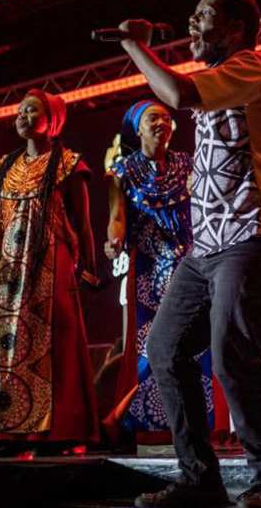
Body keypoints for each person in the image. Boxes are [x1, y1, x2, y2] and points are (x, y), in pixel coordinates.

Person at [117, 0, 261, 508]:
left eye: (203, 16)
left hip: (258, 237)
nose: (192, 24)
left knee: (231, 357)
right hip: (210, 247)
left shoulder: (255, 68)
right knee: (164, 348)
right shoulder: (220, 79)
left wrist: (135, 46)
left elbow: (176, 94)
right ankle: (199, 479)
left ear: (238, 29)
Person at [0, 90, 99, 455]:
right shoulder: (4, 167)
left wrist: (88, 267)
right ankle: (8, 431)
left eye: (32, 109)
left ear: (51, 119)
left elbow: (82, 224)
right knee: (6, 344)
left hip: (51, 267)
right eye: (20, 110)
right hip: (9, 272)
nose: (22, 115)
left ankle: (54, 435)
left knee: (51, 346)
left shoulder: (68, 164)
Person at [103, 101, 215, 445]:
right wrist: (114, 240)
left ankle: (205, 425)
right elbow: (118, 216)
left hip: (190, 261)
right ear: (138, 129)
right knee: (149, 347)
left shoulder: (188, 163)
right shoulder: (122, 172)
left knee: (197, 344)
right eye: (153, 118)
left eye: (167, 118)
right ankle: (149, 426)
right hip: (149, 269)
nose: (161, 123)